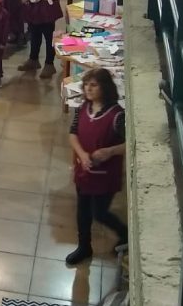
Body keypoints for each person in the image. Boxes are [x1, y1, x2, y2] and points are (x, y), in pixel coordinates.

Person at [67, 68, 128, 265]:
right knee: (82, 211)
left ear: (105, 88)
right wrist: (82, 154)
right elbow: (73, 133)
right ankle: (84, 246)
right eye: (86, 85)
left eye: (94, 85)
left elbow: (132, 143)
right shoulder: (83, 107)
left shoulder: (118, 116)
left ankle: (124, 233)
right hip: (84, 170)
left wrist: (110, 151)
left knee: (99, 212)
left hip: (105, 174)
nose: (88, 89)